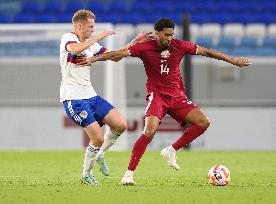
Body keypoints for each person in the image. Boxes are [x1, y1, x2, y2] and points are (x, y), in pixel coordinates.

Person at [78, 18, 251, 185]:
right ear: (157, 33)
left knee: (203, 122)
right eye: (166, 35)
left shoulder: (179, 45)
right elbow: (118, 53)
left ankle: (171, 150)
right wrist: (94, 58)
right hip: (157, 96)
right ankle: (128, 175)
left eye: (172, 34)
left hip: (177, 97)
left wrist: (232, 60)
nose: (170, 38)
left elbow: (207, 51)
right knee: (149, 131)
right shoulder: (145, 47)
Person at [59, 9, 152, 185]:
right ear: (79, 25)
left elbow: (115, 57)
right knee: (98, 138)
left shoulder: (90, 44)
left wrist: (134, 42)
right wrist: (97, 38)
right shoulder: (68, 38)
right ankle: (86, 174)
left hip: (91, 96)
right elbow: (75, 49)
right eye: (90, 26)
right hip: (74, 99)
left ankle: (100, 154)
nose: (92, 30)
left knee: (120, 124)